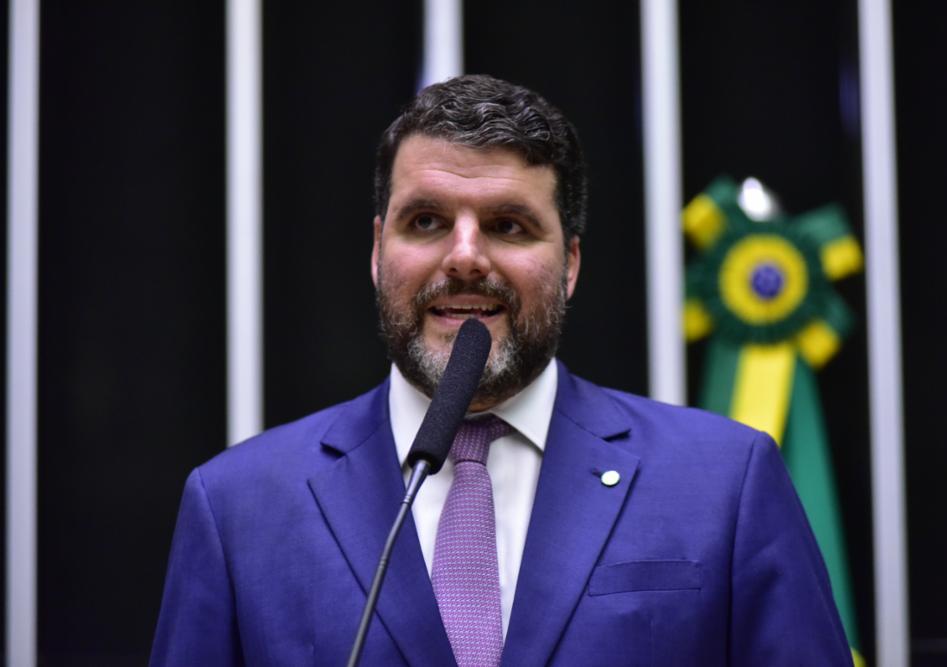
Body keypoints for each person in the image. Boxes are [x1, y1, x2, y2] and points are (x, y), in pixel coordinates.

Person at [151, 74, 851, 666]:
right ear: (376, 251)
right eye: (426, 221)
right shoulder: (238, 508)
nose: (464, 257)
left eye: (509, 225)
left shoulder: (725, 482)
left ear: (569, 263)